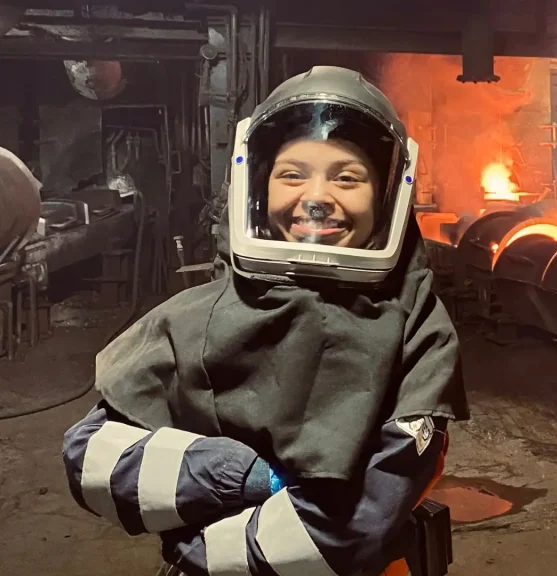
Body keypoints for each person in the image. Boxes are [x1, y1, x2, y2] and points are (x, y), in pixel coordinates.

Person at [61, 66, 470, 576]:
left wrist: (197, 551)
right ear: (256, 185)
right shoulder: (195, 316)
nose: (318, 196)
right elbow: (92, 457)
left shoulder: (417, 330)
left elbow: (349, 529)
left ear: (389, 196)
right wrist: (245, 477)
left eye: (348, 177)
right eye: (292, 174)